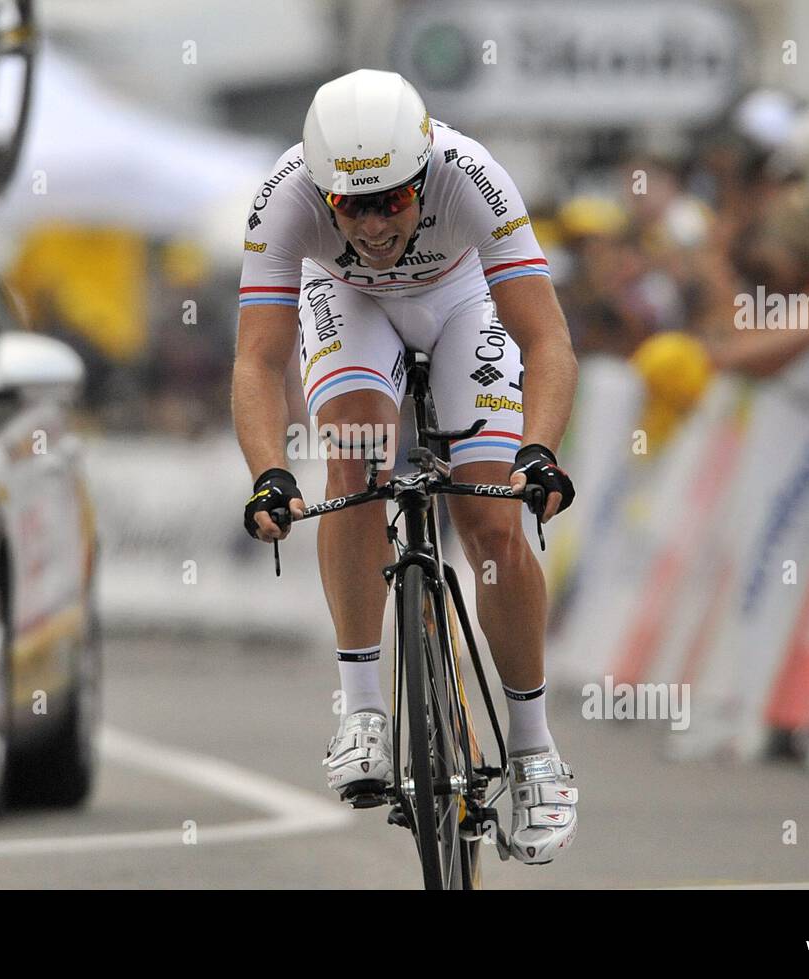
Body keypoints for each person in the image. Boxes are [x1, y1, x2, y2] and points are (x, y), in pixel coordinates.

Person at [231, 69, 579, 863]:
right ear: (323, 197)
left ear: (424, 176)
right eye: (353, 205)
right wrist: (267, 471)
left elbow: (547, 340)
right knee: (353, 461)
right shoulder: (282, 199)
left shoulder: (474, 176)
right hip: (345, 303)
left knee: (492, 522)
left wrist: (541, 451)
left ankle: (532, 751)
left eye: (393, 198)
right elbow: (258, 361)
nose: (377, 222)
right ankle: (361, 706)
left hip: (463, 302)